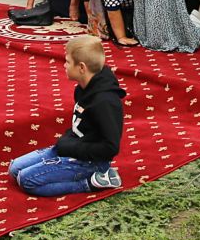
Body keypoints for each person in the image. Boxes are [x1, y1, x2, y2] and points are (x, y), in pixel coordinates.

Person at [8, 34, 124, 195]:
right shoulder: (83, 87)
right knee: (14, 169)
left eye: (68, 62)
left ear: (82, 67)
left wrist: (71, 147)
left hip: (90, 160)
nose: (64, 65)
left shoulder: (105, 102)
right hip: (73, 146)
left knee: (26, 181)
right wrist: (67, 144)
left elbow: (110, 147)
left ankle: (93, 182)